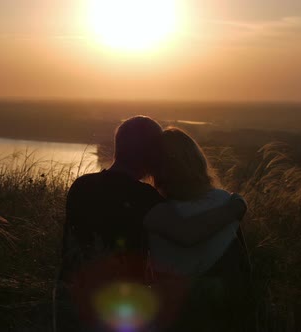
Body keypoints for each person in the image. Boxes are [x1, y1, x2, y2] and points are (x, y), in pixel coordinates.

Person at [54, 116, 239, 332]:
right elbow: (188, 234)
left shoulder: (81, 186)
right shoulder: (143, 198)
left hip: (69, 300)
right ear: (150, 154)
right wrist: (233, 208)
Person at [144, 128, 254, 332]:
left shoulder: (154, 210)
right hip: (221, 315)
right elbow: (243, 266)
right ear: (197, 161)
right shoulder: (227, 202)